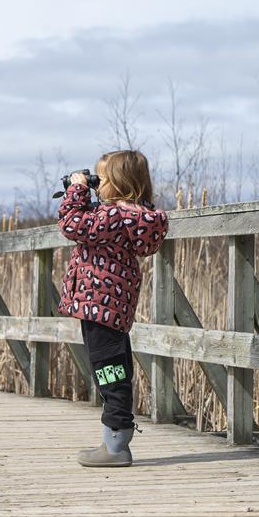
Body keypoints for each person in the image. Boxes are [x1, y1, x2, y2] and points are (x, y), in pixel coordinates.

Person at [57, 150, 169, 467]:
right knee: (115, 367)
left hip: (98, 306)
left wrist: (76, 189)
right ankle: (114, 440)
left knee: (110, 371)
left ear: (117, 183)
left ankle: (117, 445)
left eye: (101, 179)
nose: (96, 184)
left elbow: (70, 224)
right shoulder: (131, 216)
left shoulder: (110, 218)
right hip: (114, 309)